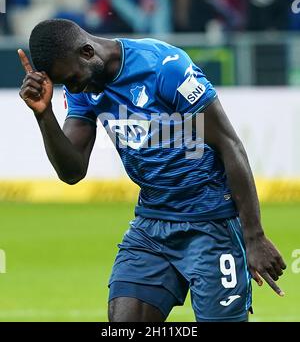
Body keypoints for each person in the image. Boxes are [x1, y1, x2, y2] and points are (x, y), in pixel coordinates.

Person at [19, 19, 286, 322]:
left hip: (211, 223)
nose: (73, 88)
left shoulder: (163, 67)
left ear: (87, 51)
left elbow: (230, 145)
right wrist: (44, 115)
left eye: (72, 79)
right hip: (152, 224)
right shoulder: (83, 86)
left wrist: (255, 237)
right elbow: (72, 172)